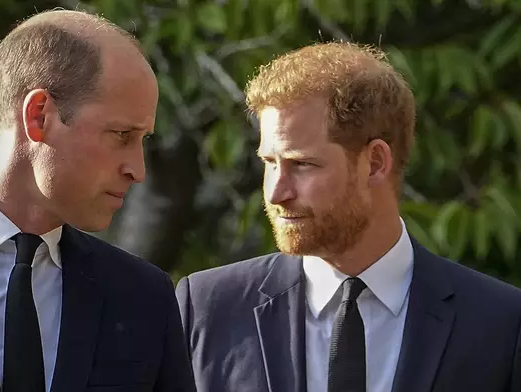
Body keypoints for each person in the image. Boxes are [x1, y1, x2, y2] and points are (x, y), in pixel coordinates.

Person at [0, 9, 195, 392]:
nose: (137, 170)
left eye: (143, 140)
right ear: (39, 115)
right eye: (122, 134)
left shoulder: (143, 298)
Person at [176, 42, 521, 392]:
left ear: (375, 163)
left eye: (303, 164)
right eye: (270, 163)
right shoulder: (207, 307)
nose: (276, 193)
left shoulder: (500, 324)